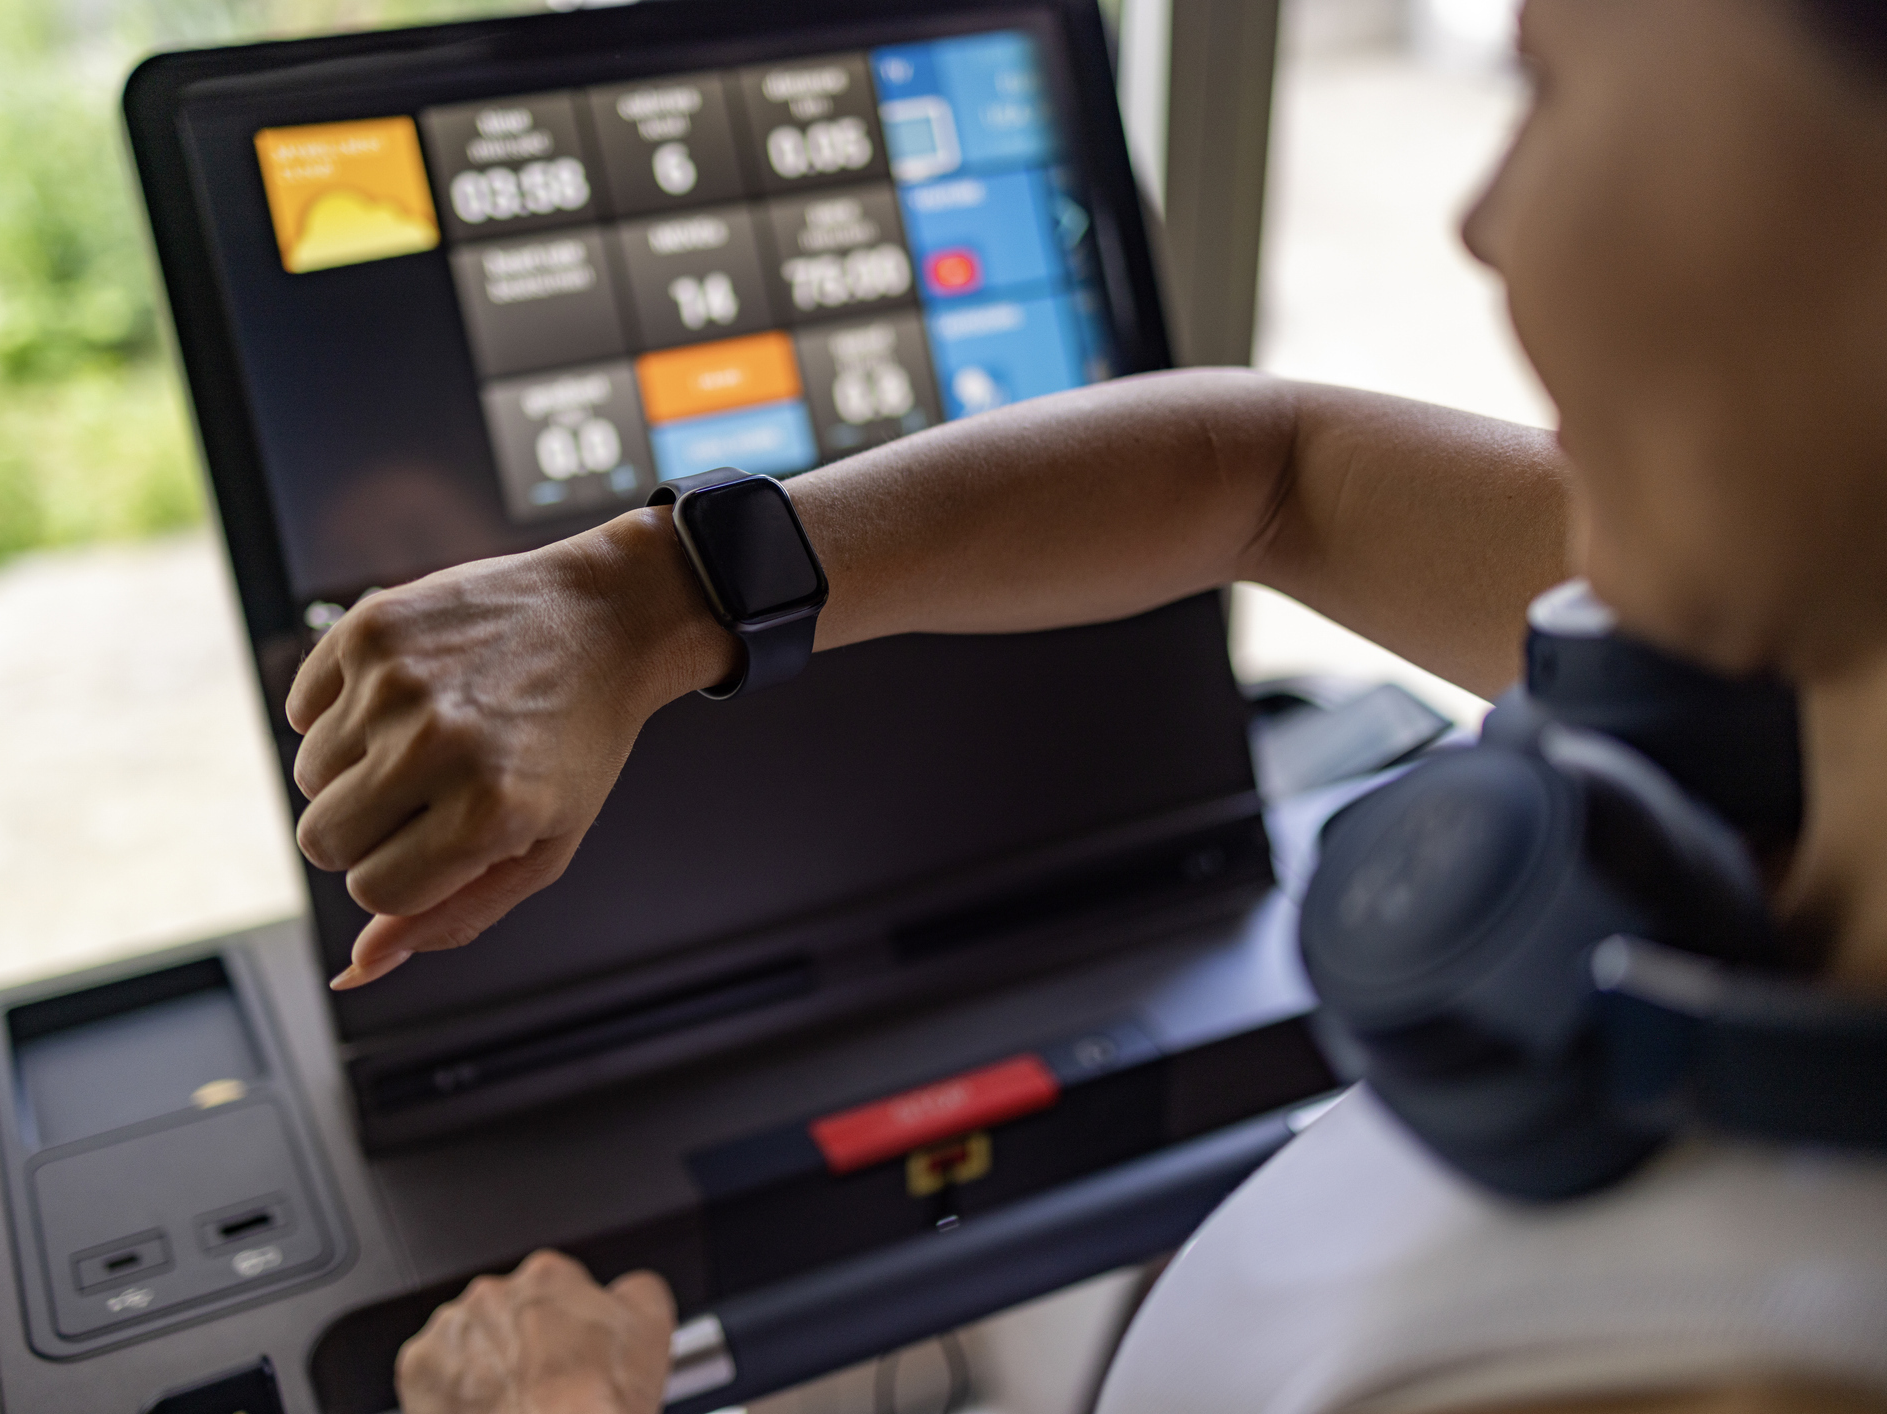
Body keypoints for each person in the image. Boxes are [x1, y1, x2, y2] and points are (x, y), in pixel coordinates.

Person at [290, 2, 1887, 1410]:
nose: (1488, 222)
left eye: (1551, 87)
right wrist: (649, 593)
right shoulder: (1798, 626)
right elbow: (1279, 475)